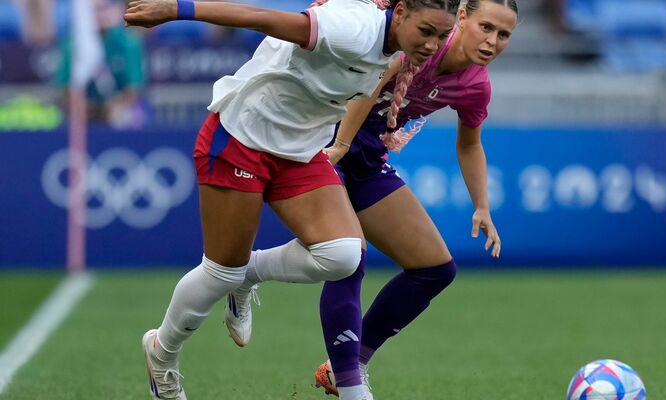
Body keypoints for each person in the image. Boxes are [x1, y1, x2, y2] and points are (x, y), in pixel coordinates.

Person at [123, 0, 459, 399]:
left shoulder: (394, 51)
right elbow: (262, 18)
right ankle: (162, 354)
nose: (433, 43)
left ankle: (249, 273)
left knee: (343, 255)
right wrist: (178, 9)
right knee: (220, 271)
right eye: (427, 32)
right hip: (241, 139)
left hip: (300, 151)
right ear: (400, 13)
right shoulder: (351, 26)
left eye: (442, 35)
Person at [220, 0, 517, 395]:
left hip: (367, 155)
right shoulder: (422, 41)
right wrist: (340, 143)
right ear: (462, 17)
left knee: (435, 268)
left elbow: (469, 144)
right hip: (325, 140)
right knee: (350, 256)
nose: (492, 41)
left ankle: (342, 354)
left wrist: (482, 204)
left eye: (503, 35)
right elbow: (371, 81)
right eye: (486, 27)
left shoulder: (476, 84)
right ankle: (351, 385)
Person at [57, 0, 148, 129]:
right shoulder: (72, 45)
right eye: (94, 10)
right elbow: (65, 87)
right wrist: (82, 106)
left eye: (104, 9)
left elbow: (134, 88)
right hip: (84, 107)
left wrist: (115, 106)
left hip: (119, 106)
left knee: (123, 118)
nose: (99, 15)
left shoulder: (129, 43)